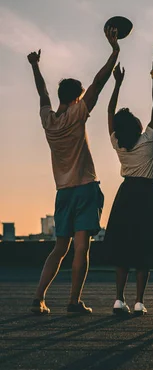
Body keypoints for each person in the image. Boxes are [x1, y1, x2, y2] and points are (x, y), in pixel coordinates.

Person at [27, 27, 120, 315]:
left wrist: (35, 65)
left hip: (63, 192)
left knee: (60, 249)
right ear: (78, 97)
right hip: (85, 188)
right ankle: (73, 301)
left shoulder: (48, 120)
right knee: (82, 249)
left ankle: (39, 297)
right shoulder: (78, 113)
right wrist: (114, 50)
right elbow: (99, 82)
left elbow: (42, 92)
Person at [104, 49, 153, 316]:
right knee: (144, 248)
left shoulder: (118, 143)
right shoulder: (148, 139)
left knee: (123, 249)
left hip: (126, 192)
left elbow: (109, 111)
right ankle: (139, 301)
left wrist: (117, 84)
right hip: (146, 194)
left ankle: (119, 298)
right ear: (138, 125)